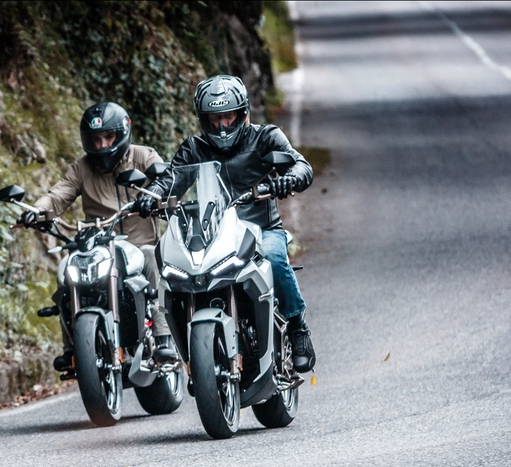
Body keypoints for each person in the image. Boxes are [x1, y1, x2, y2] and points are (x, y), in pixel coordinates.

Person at [145, 75, 317, 372]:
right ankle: (188, 348)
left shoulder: (266, 137)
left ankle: (297, 326)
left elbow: (301, 165)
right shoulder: (194, 148)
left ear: (243, 113)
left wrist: (289, 178)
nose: (223, 125)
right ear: (203, 120)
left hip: (261, 229)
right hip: (212, 233)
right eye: (215, 119)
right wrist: (152, 196)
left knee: (275, 257)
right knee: (176, 268)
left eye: (229, 116)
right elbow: (171, 178)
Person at [17, 101, 178, 372]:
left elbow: (167, 179)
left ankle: (164, 337)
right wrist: (36, 211)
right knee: (65, 270)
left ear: (122, 133)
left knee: (152, 257)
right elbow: (59, 194)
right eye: (96, 139)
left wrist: (155, 197)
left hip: (138, 245)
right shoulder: (82, 168)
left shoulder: (143, 156)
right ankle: (72, 349)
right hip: (98, 245)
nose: (103, 145)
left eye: (109, 137)